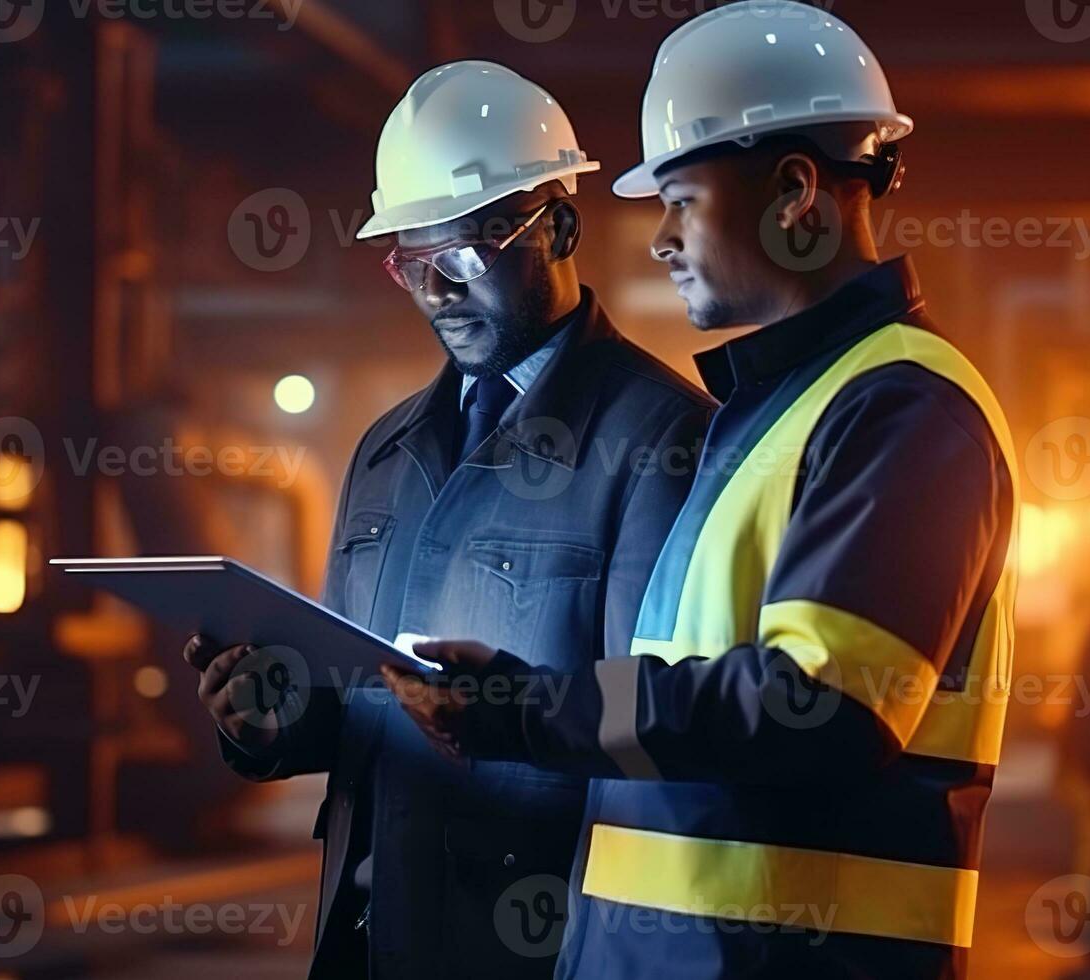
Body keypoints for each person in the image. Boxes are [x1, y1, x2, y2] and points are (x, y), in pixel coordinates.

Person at [380, 6, 1017, 977]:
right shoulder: (770, 414)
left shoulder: (905, 408)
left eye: (681, 200)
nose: (662, 241)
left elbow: (823, 708)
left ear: (796, 192)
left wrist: (523, 705)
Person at [184, 60, 712, 980]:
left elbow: (660, 727)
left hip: (533, 943)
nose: (437, 290)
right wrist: (268, 717)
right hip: (368, 938)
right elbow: (356, 711)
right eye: (410, 263)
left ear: (558, 226)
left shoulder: (661, 441)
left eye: (464, 254)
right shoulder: (387, 454)